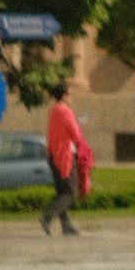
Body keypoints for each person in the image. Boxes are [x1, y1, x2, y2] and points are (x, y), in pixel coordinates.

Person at [41, 79, 91, 237]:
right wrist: (79, 125)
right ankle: (47, 216)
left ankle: (66, 225)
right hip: (64, 156)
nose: (71, 97)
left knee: (62, 191)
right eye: (69, 94)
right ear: (63, 95)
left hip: (53, 155)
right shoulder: (65, 111)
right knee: (71, 192)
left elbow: (60, 131)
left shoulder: (54, 110)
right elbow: (75, 134)